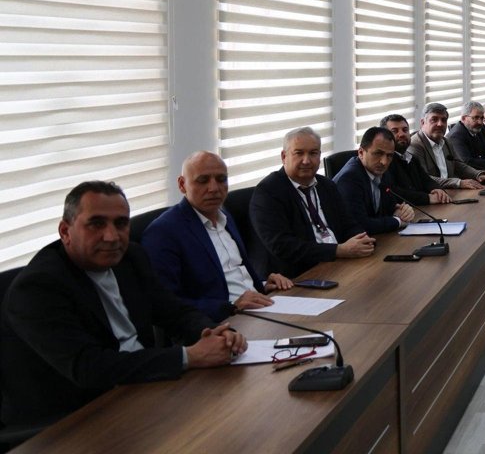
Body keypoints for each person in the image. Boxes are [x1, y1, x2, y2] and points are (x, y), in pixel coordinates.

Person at [1, 181, 246, 428]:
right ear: (65, 231)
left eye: (120, 224)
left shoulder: (131, 257)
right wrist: (188, 356)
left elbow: (174, 311)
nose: (111, 237)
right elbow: (89, 368)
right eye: (96, 224)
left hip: (145, 387)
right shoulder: (38, 287)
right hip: (79, 416)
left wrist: (215, 332)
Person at [142, 151, 293, 321]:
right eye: (203, 180)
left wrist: (263, 284)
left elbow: (232, 272)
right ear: (182, 185)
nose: (214, 188)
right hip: (220, 323)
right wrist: (231, 306)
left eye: (221, 179)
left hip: (260, 308)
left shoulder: (225, 217)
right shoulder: (164, 232)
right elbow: (166, 304)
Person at [250, 127, 376, 278]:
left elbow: (348, 224)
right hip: (299, 275)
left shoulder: (326, 185)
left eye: (313, 153)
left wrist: (362, 241)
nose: (306, 160)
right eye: (299, 153)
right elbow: (282, 246)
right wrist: (338, 250)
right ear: (284, 156)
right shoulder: (268, 192)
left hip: (338, 264)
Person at [333, 127, 420, 234]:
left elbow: (389, 206)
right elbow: (360, 225)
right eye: (378, 154)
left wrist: (403, 211)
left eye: (389, 156)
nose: (384, 162)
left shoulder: (382, 173)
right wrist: (397, 221)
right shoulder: (349, 179)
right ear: (361, 153)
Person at [408, 103, 485, 189]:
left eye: (444, 120)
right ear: (423, 123)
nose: (440, 124)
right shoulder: (415, 145)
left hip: (450, 191)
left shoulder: (446, 141)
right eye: (434, 120)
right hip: (432, 193)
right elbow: (424, 178)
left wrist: (478, 174)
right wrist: (458, 183)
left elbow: (458, 165)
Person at [379, 113, 449, 206]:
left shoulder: (411, 158)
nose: (402, 134)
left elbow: (426, 180)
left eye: (405, 130)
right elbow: (394, 193)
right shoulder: (384, 162)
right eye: (394, 131)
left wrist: (437, 190)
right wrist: (428, 198)